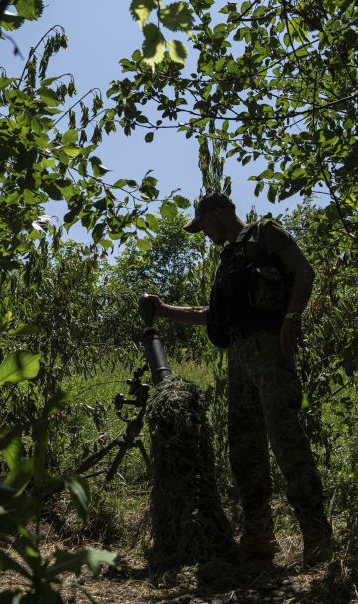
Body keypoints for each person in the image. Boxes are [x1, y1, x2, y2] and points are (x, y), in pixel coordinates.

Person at [143, 193, 334, 566]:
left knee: (287, 441)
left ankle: (317, 539)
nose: (203, 232)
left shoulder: (265, 233)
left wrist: (293, 317)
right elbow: (210, 314)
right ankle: (259, 538)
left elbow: (304, 271)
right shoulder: (228, 259)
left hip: (270, 350)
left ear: (219, 212)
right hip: (237, 357)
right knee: (244, 450)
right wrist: (164, 311)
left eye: (203, 225)